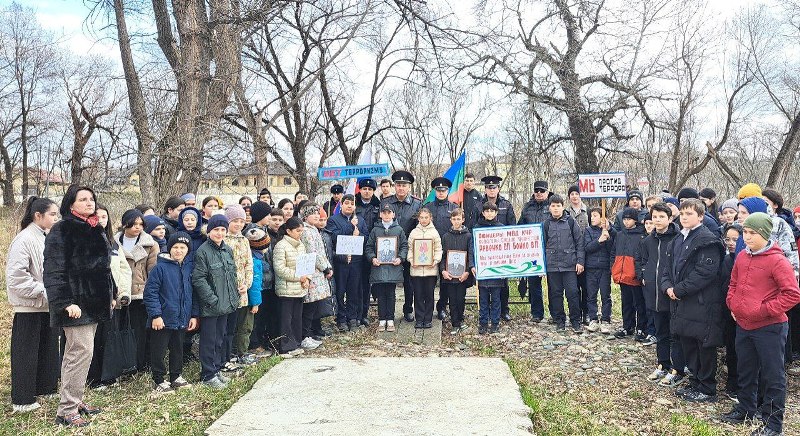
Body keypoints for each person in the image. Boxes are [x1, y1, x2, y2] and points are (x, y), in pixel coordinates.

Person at [722, 212, 800, 435]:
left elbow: (792, 294)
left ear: (765, 234)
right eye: (744, 232)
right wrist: (733, 304)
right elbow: (733, 283)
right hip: (743, 325)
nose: (746, 237)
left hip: (770, 328)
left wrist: (763, 311)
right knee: (746, 370)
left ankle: (773, 424)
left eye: (752, 233)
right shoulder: (743, 257)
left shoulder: (777, 260)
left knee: (772, 376)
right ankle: (746, 409)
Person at [44, 185, 113, 427]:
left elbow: (103, 268)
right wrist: (65, 303)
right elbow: (53, 271)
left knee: (84, 354)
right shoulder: (62, 230)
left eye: (91, 199)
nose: (89, 202)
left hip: (94, 303)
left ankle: (76, 399)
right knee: (78, 354)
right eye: (83, 199)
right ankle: (66, 411)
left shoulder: (95, 228)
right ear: (70, 205)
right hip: (76, 306)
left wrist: (110, 293)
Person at [661, 198, 725, 403]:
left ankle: (707, 388)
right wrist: (667, 287)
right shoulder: (678, 239)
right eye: (683, 213)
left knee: (703, 345)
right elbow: (667, 268)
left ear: (700, 216)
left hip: (701, 302)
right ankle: (696, 381)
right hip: (681, 302)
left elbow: (705, 273)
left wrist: (679, 290)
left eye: (690, 213)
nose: (685, 217)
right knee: (687, 341)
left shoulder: (708, 240)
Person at [7, 197, 60, 413]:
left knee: (47, 349)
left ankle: (45, 388)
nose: (56, 218)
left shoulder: (45, 237)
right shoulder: (24, 239)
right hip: (29, 306)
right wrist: (45, 291)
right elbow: (16, 278)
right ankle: (23, 398)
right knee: (26, 353)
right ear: (38, 216)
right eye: (53, 214)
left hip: (46, 305)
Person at [636, 203, 685, 387]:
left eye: (661, 217)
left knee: (675, 334)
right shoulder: (648, 240)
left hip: (670, 293)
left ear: (670, 218)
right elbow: (642, 259)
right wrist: (643, 275)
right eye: (654, 217)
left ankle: (677, 368)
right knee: (660, 332)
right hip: (652, 292)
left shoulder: (678, 238)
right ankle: (662, 363)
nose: (657, 220)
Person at [143, 232, 197, 394]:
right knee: (159, 350)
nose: (178, 251)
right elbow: (150, 293)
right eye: (175, 247)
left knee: (178, 348)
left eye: (182, 248)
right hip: (163, 318)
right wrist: (156, 315)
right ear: (169, 248)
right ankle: (159, 379)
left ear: (187, 250)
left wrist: (193, 314)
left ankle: (176, 376)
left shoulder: (188, 268)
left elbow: (192, 293)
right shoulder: (160, 268)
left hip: (182, 317)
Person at [192, 215, 239, 388]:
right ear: (209, 231)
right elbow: (198, 279)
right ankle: (207, 375)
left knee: (220, 339)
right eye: (216, 230)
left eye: (222, 230)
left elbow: (231, 276)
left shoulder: (227, 250)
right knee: (209, 341)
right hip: (211, 305)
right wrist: (212, 299)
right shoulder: (203, 251)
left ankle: (217, 369)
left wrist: (234, 294)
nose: (220, 233)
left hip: (226, 304)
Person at [115, 209, 159, 372]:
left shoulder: (150, 244)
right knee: (121, 330)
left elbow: (153, 271)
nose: (137, 227)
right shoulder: (114, 243)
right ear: (125, 223)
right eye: (133, 224)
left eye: (141, 224)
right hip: (120, 293)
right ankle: (122, 363)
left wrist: (148, 290)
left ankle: (140, 363)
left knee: (139, 331)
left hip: (140, 294)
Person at [381, 170, 422, 322]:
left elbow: (420, 226)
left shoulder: (417, 203)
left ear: (409, 187)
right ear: (394, 186)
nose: (401, 188)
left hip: (409, 249)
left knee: (409, 282)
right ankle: (388, 313)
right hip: (389, 249)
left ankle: (408, 309)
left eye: (404, 185)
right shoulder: (386, 203)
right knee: (390, 281)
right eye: (398, 185)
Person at [542, 194, 585, 333]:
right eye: (553, 206)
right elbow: (541, 246)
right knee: (555, 294)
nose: (555, 209)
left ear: (562, 206)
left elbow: (579, 242)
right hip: (552, 265)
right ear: (549, 208)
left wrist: (580, 261)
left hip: (569, 265)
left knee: (573, 293)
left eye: (558, 206)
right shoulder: (546, 224)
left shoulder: (571, 221)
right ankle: (560, 320)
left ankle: (576, 321)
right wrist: (542, 266)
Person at [327, 194, 367, 331]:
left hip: (356, 261)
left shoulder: (360, 220)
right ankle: (341, 318)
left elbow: (366, 237)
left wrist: (358, 235)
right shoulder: (333, 220)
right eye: (347, 203)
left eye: (352, 203)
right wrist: (351, 227)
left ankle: (353, 318)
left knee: (354, 291)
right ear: (342, 205)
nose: (349, 206)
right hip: (341, 261)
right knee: (340, 291)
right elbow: (334, 236)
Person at [273, 217, 312, 357]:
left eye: (302, 230)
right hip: (286, 289)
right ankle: (285, 346)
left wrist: (307, 278)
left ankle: (295, 342)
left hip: (300, 288)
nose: (300, 233)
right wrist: (298, 277)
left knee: (297, 318)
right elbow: (280, 269)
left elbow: (307, 264)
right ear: (288, 231)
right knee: (286, 319)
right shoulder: (281, 246)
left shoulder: (301, 245)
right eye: (297, 230)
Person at [366, 204, 408, 332]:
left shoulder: (399, 230)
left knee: (390, 294)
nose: (386, 215)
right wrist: (373, 258)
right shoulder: (375, 230)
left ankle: (390, 319)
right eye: (384, 213)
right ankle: (382, 318)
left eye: (389, 213)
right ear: (380, 215)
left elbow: (404, 246)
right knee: (380, 294)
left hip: (393, 268)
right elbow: (369, 247)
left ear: (393, 215)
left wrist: (400, 258)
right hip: (379, 268)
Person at [223, 205, 255, 369]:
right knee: (227, 326)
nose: (238, 224)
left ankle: (238, 352)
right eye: (235, 221)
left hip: (242, 290)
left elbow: (249, 265)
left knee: (240, 323)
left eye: (241, 221)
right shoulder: (223, 239)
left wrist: (246, 284)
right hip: (226, 290)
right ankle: (227, 355)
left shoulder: (244, 240)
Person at [298, 203, 333, 349]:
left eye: (318, 213)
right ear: (306, 216)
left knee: (313, 306)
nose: (317, 216)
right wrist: (325, 267)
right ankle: (305, 336)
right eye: (314, 214)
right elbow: (313, 253)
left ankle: (309, 334)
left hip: (317, 272)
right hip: (312, 271)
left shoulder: (314, 230)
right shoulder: (307, 231)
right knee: (309, 306)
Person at [611, 207, 648, 340]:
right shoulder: (620, 235)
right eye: (624, 219)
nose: (626, 222)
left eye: (629, 219)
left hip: (634, 274)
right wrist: (613, 268)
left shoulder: (642, 235)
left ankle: (641, 328)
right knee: (626, 302)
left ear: (635, 220)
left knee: (639, 303)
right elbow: (613, 253)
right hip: (621, 274)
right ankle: (627, 326)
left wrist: (640, 273)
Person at [481, 175, 515, 322]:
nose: (491, 190)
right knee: (485, 284)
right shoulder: (479, 204)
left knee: (502, 282)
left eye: (494, 187)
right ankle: (486, 312)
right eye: (489, 188)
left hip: (502, 250)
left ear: (498, 188)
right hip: (485, 249)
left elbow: (512, 225)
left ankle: (504, 310)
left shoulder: (506, 204)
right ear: (485, 189)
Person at [518, 180, 551, 323]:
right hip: (532, 251)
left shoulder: (553, 206)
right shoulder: (527, 207)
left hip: (550, 249)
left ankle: (556, 314)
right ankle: (537, 313)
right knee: (534, 284)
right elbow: (519, 226)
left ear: (547, 192)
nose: (539, 193)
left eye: (542, 191)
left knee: (554, 285)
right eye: (537, 190)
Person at [426, 177, 458, 320]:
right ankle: (427, 308)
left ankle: (442, 307)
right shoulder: (428, 208)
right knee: (429, 281)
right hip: (430, 249)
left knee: (445, 281)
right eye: (438, 190)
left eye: (443, 190)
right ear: (435, 191)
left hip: (447, 249)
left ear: (448, 191)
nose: (441, 192)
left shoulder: (454, 208)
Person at [440, 208, 474, 335]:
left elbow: (470, 254)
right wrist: (443, 270)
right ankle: (455, 323)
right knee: (452, 300)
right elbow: (442, 256)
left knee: (461, 299)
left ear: (463, 220)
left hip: (462, 276)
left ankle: (460, 319)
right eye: (453, 219)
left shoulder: (468, 236)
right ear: (450, 220)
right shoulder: (446, 236)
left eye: (458, 219)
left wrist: (467, 272)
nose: (456, 221)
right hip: (449, 275)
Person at [473, 202, 506, 334]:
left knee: (496, 299)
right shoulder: (477, 227)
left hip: (497, 271)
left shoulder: (502, 228)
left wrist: (506, 269)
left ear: (496, 213)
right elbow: (472, 248)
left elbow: (506, 249)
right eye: (487, 211)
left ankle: (495, 323)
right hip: (482, 270)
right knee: (483, 299)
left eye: (492, 211)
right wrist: (472, 265)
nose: (489, 213)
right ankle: (483, 322)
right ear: (483, 213)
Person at [407, 208, 443, 329]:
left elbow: (438, 249)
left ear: (430, 218)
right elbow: (410, 249)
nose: (424, 220)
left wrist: (435, 260)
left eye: (426, 217)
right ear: (418, 219)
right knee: (418, 295)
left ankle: (428, 319)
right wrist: (412, 260)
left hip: (430, 270)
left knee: (429, 295)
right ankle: (419, 318)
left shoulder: (434, 233)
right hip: (416, 270)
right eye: (421, 217)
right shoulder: (413, 233)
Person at [720, 223, 742, 400]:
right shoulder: (727, 260)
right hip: (727, 311)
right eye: (728, 239)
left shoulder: (744, 259)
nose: (731, 243)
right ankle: (732, 381)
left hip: (745, 314)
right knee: (731, 348)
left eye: (736, 239)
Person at [583, 207, 614, 334]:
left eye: (596, 215)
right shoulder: (588, 231)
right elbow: (587, 247)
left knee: (605, 295)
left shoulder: (608, 230)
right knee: (591, 295)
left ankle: (606, 320)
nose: (592, 218)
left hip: (605, 268)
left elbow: (612, 248)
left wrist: (608, 237)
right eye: (591, 216)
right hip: (591, 268)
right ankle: (593, 319)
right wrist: (599, 240)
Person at [244, 224, 272, 357]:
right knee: (253, 323)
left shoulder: (257, 258)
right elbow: (254, 284)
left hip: (258, 295)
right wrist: (256, 302)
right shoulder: (255, 261)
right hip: (254, 298)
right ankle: (253, 346)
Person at [355, 178, 381, 325]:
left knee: (365, 284)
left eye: (370, 189)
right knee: (354, 284)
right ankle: (354, 313)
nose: (367, 191)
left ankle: (363, 313)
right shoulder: (353, 204)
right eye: (364, 188)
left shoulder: (378, 206)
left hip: (370, 249)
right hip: (354, 249)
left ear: (373, 191)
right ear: (360, 189)